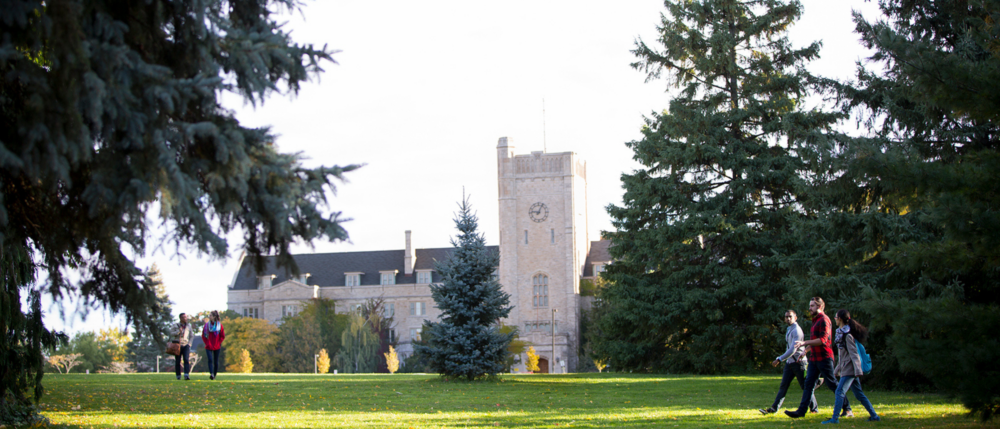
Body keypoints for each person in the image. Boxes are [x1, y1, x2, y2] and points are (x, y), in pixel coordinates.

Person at [785, 297, 852, 418]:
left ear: (820, 307)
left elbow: (823, 340)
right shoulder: (815, 320)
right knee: (808, 384)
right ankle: (801, 411)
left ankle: (847, 409)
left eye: (812, 306)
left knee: (832, 384)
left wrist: (804, 343)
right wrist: (806, 350)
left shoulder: (824, 320)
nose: (809, 308)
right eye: (810, 305)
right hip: (814, 358)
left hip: (824, 358)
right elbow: (816, 340)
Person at [823, 310, 880, 424]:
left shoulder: (847, 335)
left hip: (850, 370)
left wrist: (858, 371)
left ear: (839, 319)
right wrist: (837, 370)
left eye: (835, 317)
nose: (834, 319)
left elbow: (854, 355)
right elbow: (843, 356)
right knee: (859, 394)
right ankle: (874, 416)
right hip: (847, 368)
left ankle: (834, 418)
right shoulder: (841, 334)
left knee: (839, 392)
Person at [759, 310, 818, 415]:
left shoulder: (797, 331)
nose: (788, 319)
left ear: (795, 317)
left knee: (805, 386)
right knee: (784, 386)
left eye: (790, 316)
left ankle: (814, 409)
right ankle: (774, 408)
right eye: (786, 317)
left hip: (799, 363)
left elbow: (792, 350)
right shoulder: (789, 329)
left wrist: (779, 359)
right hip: (790, 363)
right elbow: (789, 348)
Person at [202, 310, 226, 380]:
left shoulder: (219, 326)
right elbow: (203, 335)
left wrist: (218, 343)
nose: (209, 317)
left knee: (216, 361)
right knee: (210, 359)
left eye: (210, 315)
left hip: (217, 346)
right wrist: (207, 343)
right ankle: (211, 373)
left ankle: (214, 375)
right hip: (208, 346)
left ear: (214, 317)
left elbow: (222, 336)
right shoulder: (206, 326)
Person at [175, 313, 194, 380]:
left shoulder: (188, 326)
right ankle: (178, 375)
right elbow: (171, 333)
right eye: (184, 317)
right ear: (180, 318)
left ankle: (186, 375)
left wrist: (190, 343)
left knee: (186, 359)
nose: (185, 318)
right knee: (178, 361)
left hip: (186, 345)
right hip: (178, 345)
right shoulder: (176, 325)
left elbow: (191, 335)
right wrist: (178, 332)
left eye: (186, 317)